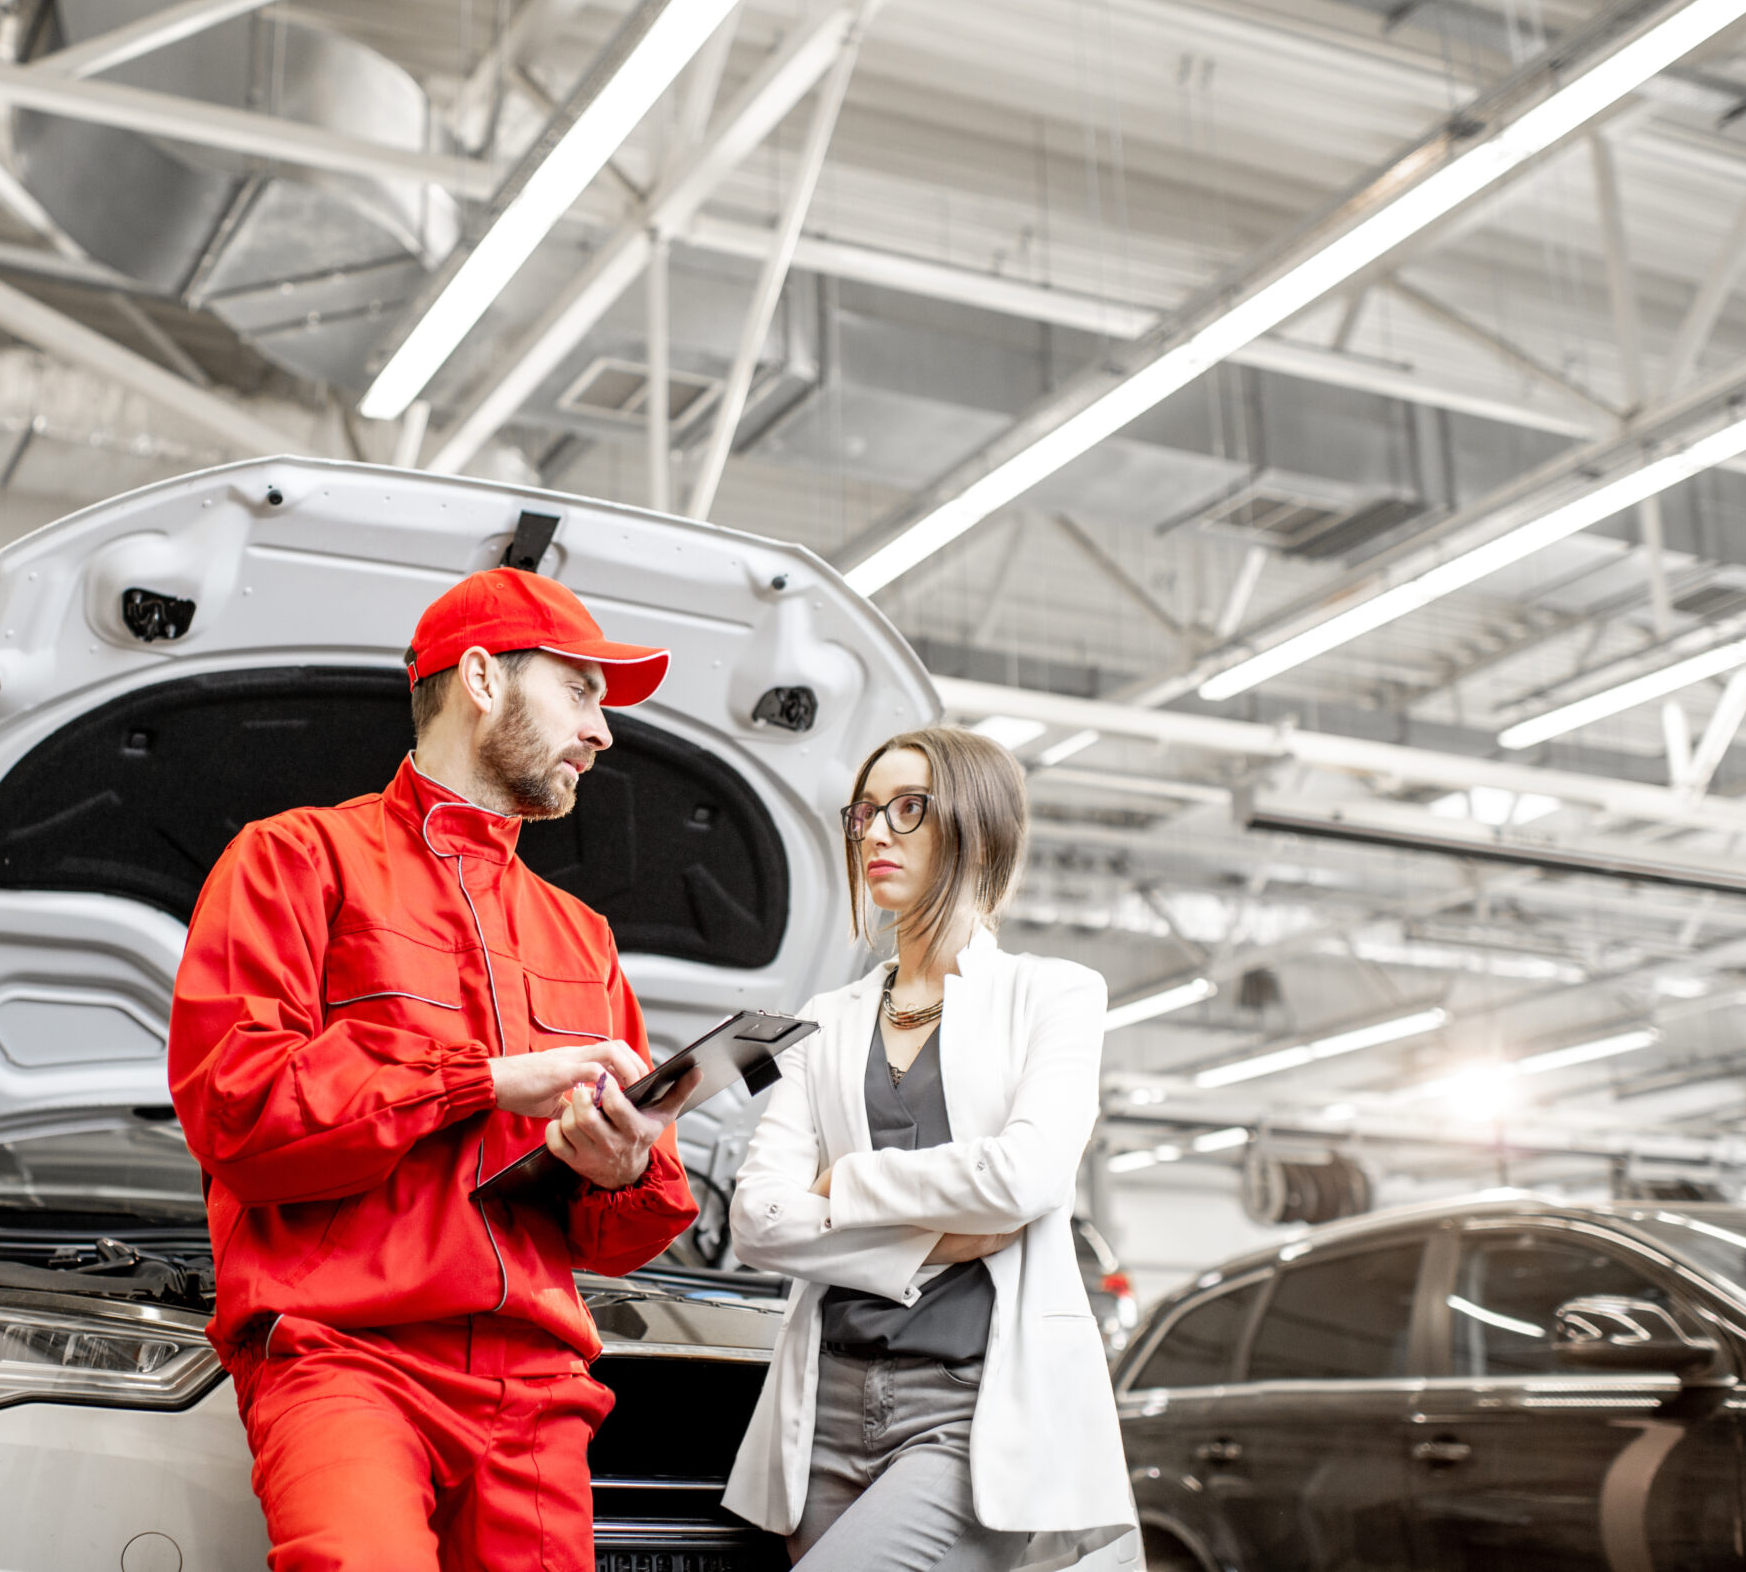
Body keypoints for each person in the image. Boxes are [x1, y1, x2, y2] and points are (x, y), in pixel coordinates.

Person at [169, 564, 701, 1572]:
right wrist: (481, 1079)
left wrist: (624, 1162)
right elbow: (242, 1112)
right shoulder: (291, 861)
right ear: (483, 678)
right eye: (581, 690)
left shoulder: (579, 933)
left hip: (540, 1391)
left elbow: (622, 1232)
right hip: (347, 1359)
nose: (603, 732)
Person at [722, 726, 1136, 1572]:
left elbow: (1024, 1174)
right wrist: (938, 1234)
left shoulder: (1054, 995)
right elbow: (757, 1219)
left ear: (977, 827)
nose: (875, 832)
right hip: (826, 1408)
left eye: (909, 809)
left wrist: (849, 1183)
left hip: (971, 1411)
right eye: (866, 811)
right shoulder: (825, 1018)